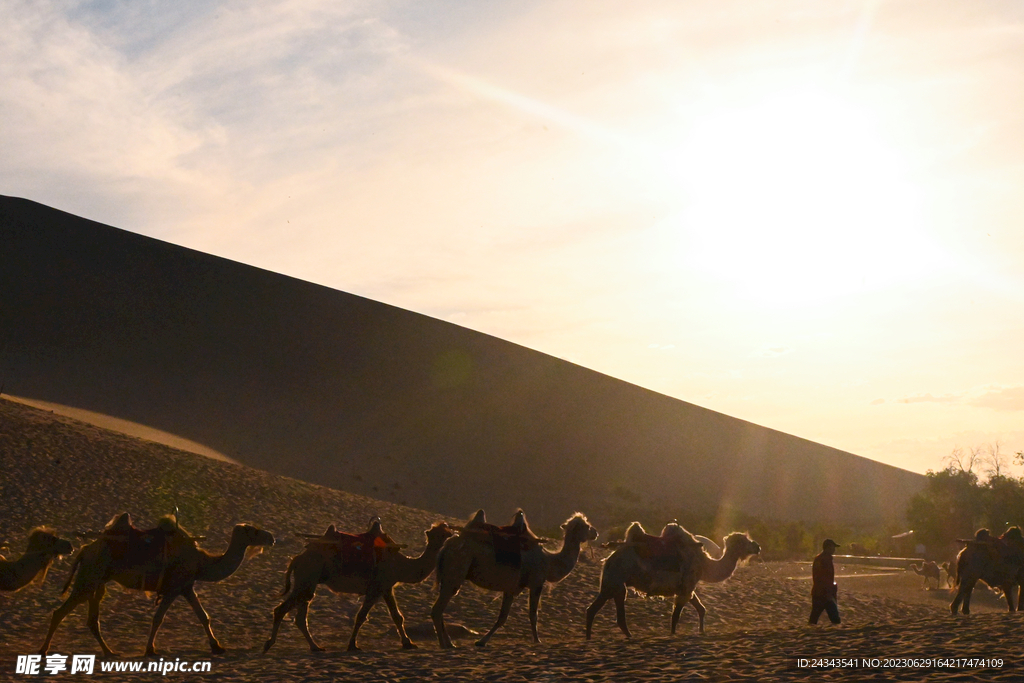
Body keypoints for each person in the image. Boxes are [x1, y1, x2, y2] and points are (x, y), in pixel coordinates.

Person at [809, 538, 841, 625]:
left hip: (819, 592)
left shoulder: (821, 558)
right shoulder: (824, 559)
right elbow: (821, 577)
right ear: (828, 547)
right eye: (832, 547)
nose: (834, 549)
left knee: (814, 617)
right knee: (835, 618)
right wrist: (829, 591)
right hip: (824, 593)